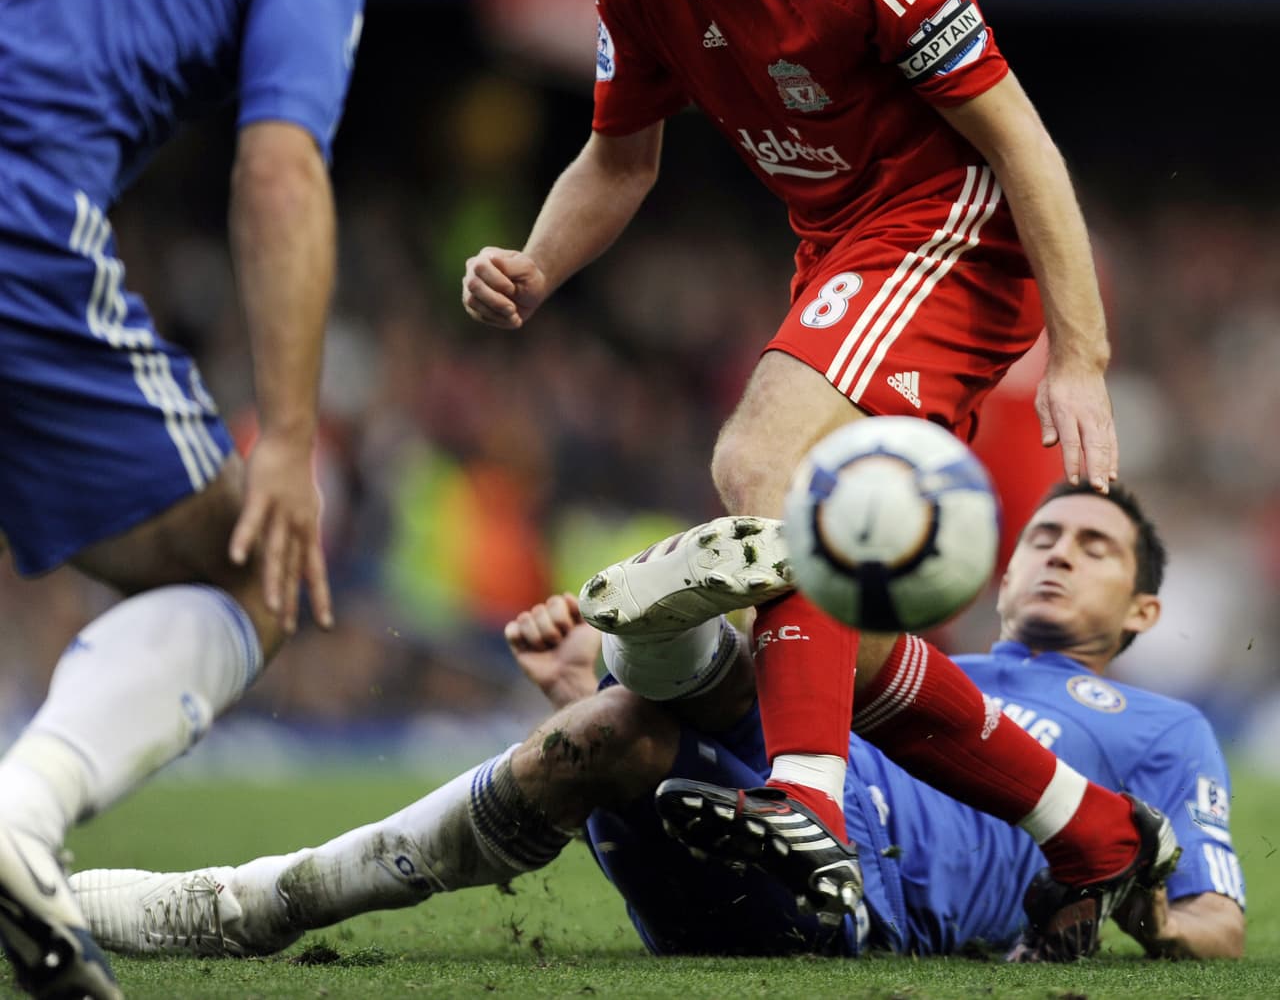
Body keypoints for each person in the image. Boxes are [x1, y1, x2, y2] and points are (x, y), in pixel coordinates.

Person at [460, 0, 1156, 927]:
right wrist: (535, 262)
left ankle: (810, 809)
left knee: (756, 462)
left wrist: (1081, 354)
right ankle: (1093, 830)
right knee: (828, 608)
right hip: (841, 245)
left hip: (951, 225)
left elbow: (1021, 141)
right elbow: (618, 161)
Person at [66, 483, 1243, 962]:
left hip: (867, 901)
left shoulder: (1160, 726)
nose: (1055, 554)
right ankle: (253, 904)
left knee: (808, 581)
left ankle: (692, 671)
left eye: (1090, 547)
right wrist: (577, 673)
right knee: (609, 726)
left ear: (1141, 607)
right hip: (778, 797)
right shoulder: (938, 665)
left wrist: (1144, 914)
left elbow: (1215, 928)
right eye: (1042, 535)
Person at [0, 0, 422, 997]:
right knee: (251, 566)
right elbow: (280, 169)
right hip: (12, 202)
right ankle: (16, 827)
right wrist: (289, 438)